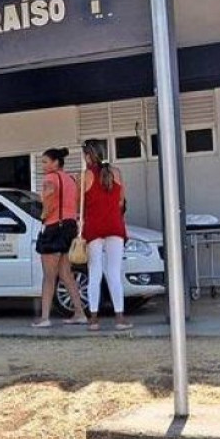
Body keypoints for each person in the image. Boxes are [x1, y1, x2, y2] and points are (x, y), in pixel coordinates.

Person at [81, 140, 133, 331]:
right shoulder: (117, 173)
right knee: (114, 272)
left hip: (94, 227)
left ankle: (93, 319)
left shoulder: (86, 175)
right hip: (115, 225)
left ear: (88, 155)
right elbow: (121, 202)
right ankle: (120, 318)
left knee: (94, 272)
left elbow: (81, 204)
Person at [32, 147, 86, 328]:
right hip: (70, 226)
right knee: (65, 273)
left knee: (49, 276)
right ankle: (79, 312)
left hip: (54, 226)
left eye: (45, 161)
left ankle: (45, 317)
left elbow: (47, 202)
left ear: (56, 162)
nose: (43, 165)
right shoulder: (70, 180)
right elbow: (77, 203)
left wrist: (44, 215)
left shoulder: (49, 179)